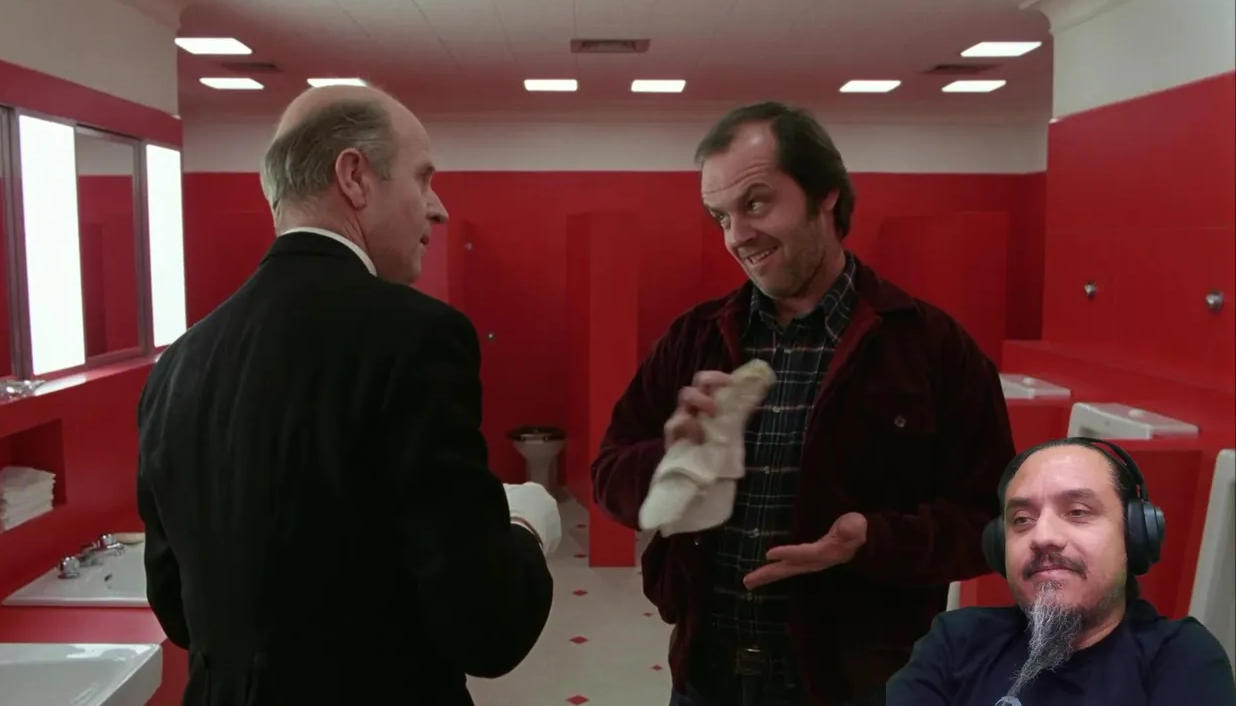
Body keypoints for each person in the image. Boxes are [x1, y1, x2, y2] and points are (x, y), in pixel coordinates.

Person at [136, 84, 561, 706]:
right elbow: (488, 628)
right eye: (423, 178)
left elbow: (177, 608)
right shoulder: (416, 338)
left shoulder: (178, 362)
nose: (438, 209)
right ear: (355, 177)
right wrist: (526, 526)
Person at [590, 101, 1016, 706]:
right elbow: (607, 472)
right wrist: (670, 461)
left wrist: (872, 539)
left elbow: (994, 520)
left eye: (756, 203)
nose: (736, 235)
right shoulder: (695, 337)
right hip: (708, 675)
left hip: (860, 683)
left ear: (826, 195)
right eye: (721, 216)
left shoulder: (930, 347)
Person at [887, 437, 1236, 705]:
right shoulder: (956, 642)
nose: (1043, 537)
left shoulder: (1180, 659)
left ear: (1133, 535)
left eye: (1077, 512)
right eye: (1022, 519)